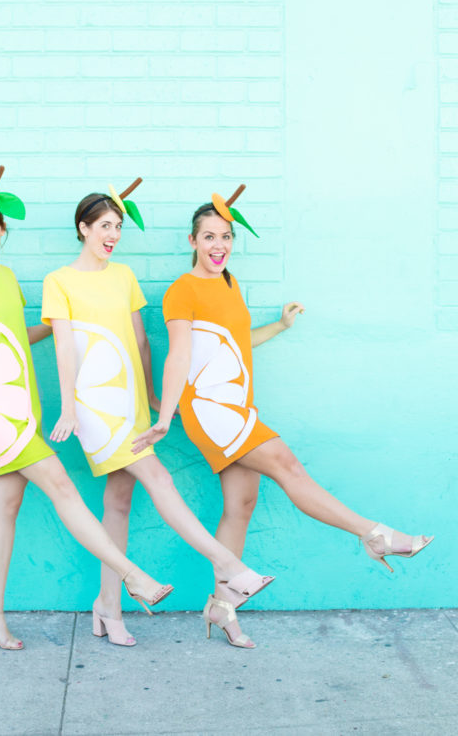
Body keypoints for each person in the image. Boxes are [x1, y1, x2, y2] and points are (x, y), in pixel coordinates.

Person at [132, 186, 434, 649]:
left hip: (236, 406)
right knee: (287, 465)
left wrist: (281, 326)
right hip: (211, 413)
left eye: (226, 237)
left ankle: (222, 605)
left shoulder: (228, 283)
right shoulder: (182, 291)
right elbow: (178, 356)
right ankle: (374, 534)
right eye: (209, 237)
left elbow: (235, 344)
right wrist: (165, 414)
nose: (219, 246)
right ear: (192, 241)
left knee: (241, 506)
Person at [0, 167, 172, 651]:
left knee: (5, 507)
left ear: (2, 231)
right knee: (61, 486)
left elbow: (16, 337)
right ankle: (131, 576)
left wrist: (61, 328)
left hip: (21, 403)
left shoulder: (8, 277)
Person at [41, 181, 274, 647]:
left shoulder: (124, 275)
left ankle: (108, 605)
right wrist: (67, 406)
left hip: (128, 401)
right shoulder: (59, 281)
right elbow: (64, 347)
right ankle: (229, 565)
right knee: (160, 479)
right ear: (83, 229)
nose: (113, 235)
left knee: (118, 503)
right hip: (92, 405)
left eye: (118, 227)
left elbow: (141, 342)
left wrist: (150, 397)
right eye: (104, 226)